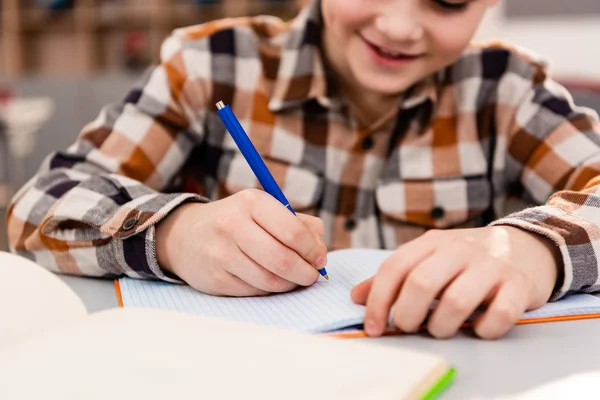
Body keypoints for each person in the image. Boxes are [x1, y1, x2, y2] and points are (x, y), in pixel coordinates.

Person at [7, 0, 600, 340]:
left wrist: (532, 250)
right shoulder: (211, 65)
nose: (398, 26)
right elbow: (40, 202)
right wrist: (176, 234)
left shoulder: (509, 91)